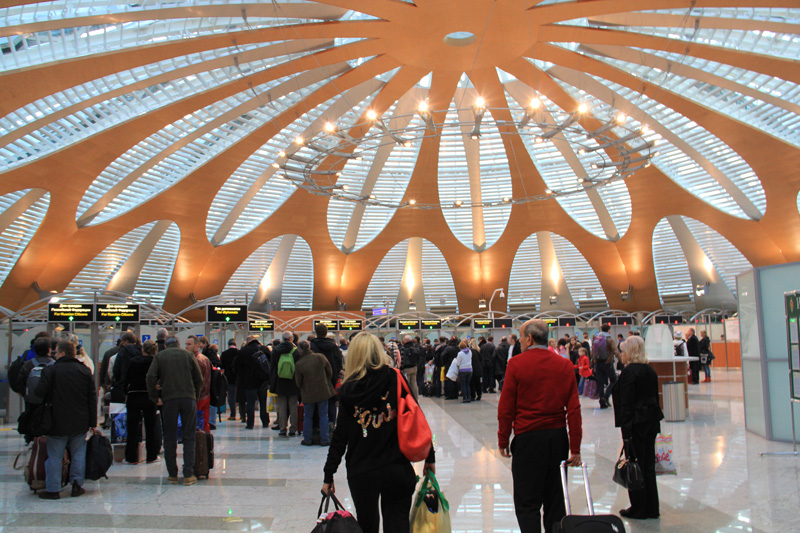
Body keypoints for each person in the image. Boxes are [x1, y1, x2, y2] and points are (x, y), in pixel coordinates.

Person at [322, 333, 435, 533]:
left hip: (362, 469)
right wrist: (429, 457)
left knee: (367, 524)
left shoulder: (348, 389)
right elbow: (417, 416)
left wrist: (328, 474)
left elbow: (341, 436)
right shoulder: (395, 378)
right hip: (397, 467)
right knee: (398, 523)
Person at [498, 319, 582, 533]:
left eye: (521, 336)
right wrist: (576, 448)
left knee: (527, 503)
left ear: (529, 338)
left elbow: (506, 407)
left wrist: (503, 439)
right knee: (555, 502)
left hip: (528, 440)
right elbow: (573, 409)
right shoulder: (564, 365)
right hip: (557, 439)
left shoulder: (516, 364)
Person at [33, 340, 97, 499]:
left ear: (61, 353)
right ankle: (76, 486)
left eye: (56, 352)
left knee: (54, 456)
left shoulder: (51, 371)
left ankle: (53, 490)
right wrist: (93, 422)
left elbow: (39, 392)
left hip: (56, 420)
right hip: (80, 421)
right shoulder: (84, 371)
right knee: (78, 455)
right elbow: (92, 398)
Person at [611, 335, 663, 520]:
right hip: (650, 422)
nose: (621, 355)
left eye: (623, 351)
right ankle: (652, 507)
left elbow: (627, 404)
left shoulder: (630, 372)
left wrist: (626, 434)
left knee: (635, 466)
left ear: (630, 352)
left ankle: (639, 507)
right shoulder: (649, 370)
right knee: (648, 466)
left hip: (636, 424)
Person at [146, 335, 203, 485]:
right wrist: (194, 397)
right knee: (189, 436)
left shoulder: (160, 356)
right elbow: (199, 379)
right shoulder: (189, 355)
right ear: (178, 345)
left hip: (169, 399)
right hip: (188, 398)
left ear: (165, 345)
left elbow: (150, 376)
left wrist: (154, 397)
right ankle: (189, 474)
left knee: (170, 436)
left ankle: (172, 474)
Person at [123, 339, 159, 464]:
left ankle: (131, 457)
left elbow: (126, 378)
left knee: (132, 427)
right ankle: (152, 456)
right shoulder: (155, 362)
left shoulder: (133, 361)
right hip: (149, 396)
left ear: (142, 349)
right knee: (150, 427)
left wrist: (124, 393)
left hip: (133, 395)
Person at [295, 340, 335, 446]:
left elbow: (298, 382)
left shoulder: (299, 364)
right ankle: (324, 439)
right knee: (323, 415)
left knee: (308, 416)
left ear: (299, 350)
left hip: (308, 393)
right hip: (323, 390)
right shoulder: (320, 357)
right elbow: (330, 372)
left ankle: (307, 439)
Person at [271, 332, 300, 437]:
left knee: (282, 406)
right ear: (291, 339)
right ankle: (293, 429)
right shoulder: (295, 351)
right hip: (293, 382)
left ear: (283, 339)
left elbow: (273, 368)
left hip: (280, 382)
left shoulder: (276, 351)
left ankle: (282, 428)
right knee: (293, 406)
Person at [236, 335, 266, 429]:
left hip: (249, 381)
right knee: (263, 402)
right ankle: (265, 422)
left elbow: (236, 366)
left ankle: (250, 423)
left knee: (250, 402)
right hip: (263, 380)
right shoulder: (263, 349)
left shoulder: (243, 351)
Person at [186, 336, 212, 431]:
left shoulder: (196, 360)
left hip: (198, 396)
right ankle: (205, 443)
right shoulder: (205, 358)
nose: (186, 347)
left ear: (197, 346)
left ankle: (199, 444)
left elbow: (196, 380)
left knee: (196, 425)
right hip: (206, 395)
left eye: (189, 344)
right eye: (186, 344)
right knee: (204, 423)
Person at [593, 323, 619, 409]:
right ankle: (606, 396)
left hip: (598, 363)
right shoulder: (609, 339)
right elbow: (615, 351)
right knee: (614, 379)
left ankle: (601, 401)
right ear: (608, 330)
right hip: (607, 363)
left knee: (600, 382)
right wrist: (622, 361)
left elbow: (592, 352)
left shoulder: (596, 339)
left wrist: (592, 364)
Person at [219, 338, 239, 420]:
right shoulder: (239, 352)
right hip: (238, 377)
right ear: (235, 344)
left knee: (231, 396)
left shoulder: (224, 354)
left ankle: (232, 414)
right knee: (240, 395)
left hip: (229, 377)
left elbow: (221, 366)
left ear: (228, 345)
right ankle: (242, 414)